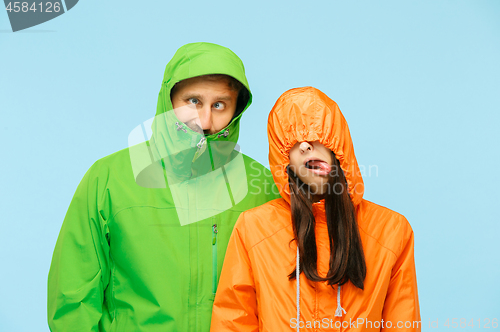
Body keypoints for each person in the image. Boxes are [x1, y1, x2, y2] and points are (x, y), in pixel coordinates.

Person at [47, 42, 280, 332]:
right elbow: (73, 298)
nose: (204, 121)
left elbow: (281, 297)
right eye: (193, 101)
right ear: (168, 100)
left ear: (237, 109)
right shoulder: (108, 178)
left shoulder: (263, 186)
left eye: (219, 105)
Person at [210, 87, 421, 331]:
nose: (305, 147)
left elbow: (402, 322)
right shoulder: (255, 227)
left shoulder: (391, 230)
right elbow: (234, 320)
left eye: (316, 134)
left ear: (337, 142)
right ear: (283, 160)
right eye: (292, 141)